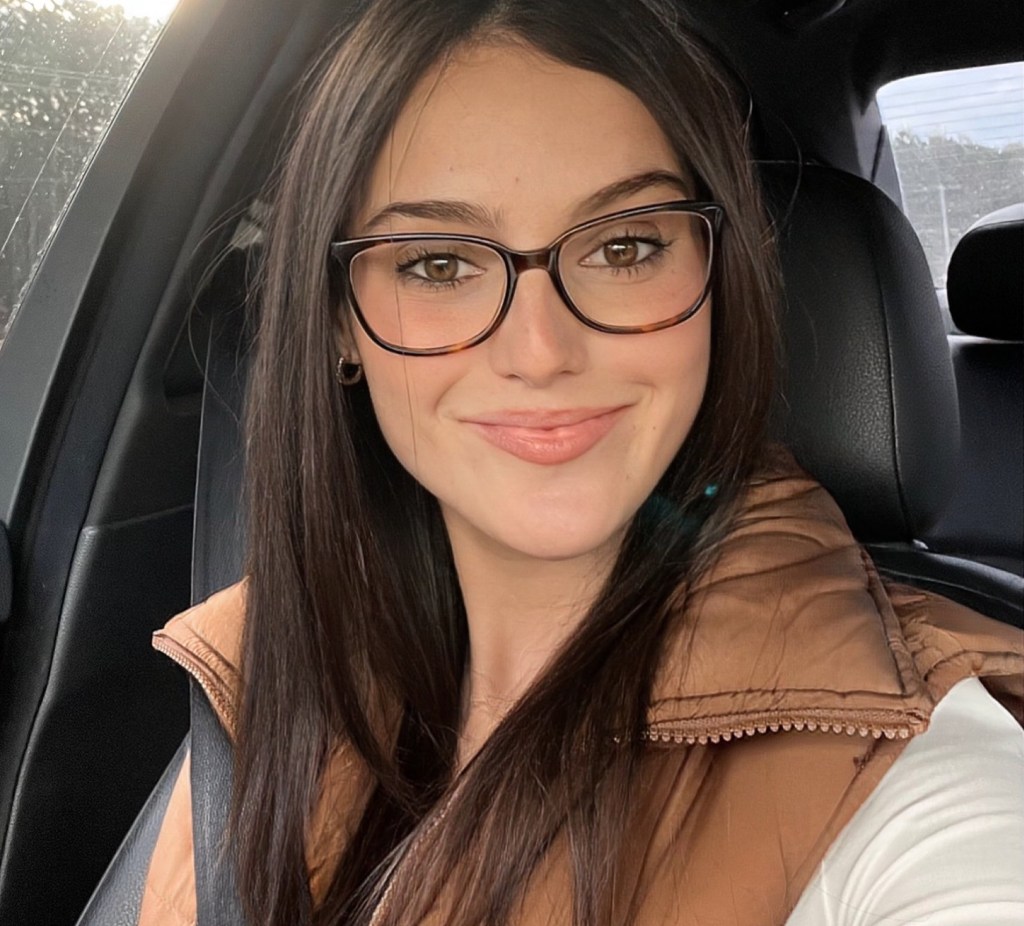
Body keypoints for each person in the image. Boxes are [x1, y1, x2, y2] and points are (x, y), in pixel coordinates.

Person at [139, 0, 1024, 924]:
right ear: (337, 321)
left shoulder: (905, 770)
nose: (541, 351)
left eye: (624, 247)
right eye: (438, 264)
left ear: (718, 279)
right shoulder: (265, 675)